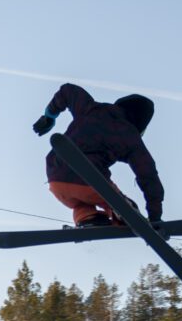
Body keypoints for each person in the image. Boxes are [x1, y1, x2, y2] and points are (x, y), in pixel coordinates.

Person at [33, 83, 164, 227]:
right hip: (89, 181)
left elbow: (67, 90)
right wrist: (155, 216)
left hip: (56, 180)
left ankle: (88, 219)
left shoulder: (90, 108)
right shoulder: (130, 135)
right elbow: (148, 175)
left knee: (81, 205)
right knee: (121, 204)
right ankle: (121, 212)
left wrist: (49, 116)